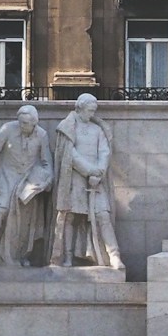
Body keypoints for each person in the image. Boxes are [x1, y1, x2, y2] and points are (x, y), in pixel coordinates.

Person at [0, 105, 54, 269]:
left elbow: (46, 162)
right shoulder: (7, 129)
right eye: (20, 122)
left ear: (34, 123)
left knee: (23, 221)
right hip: (4, 177)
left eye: (26, 123)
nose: (22, 126)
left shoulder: (42, 135)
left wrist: (44, 181)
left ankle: (19, 255)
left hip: (26, 183)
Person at [50, 94, 123, 268]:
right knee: (70, 217)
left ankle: (114, 256)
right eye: (89, 110)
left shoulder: (97, 130)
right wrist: (89, 171)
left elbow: (104, 151)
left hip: (96, 181)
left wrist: (99, 172)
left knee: (103, 215)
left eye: (93, 111)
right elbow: (69, 154)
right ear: (80, 108)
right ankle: (67, 257)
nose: (91, 114)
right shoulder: (67, 128)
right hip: (74, 179)